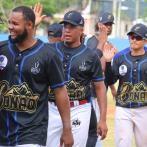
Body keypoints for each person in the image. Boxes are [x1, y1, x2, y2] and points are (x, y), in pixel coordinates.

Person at [0, 6, 74, 147]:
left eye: (15, 24)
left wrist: (67, 129)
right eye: (9, 22)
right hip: (3, 134)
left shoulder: (48, 55)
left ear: (29, 25)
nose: (10, 27)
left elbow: (59, 91)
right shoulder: (2, 49)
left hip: (31, 135)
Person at [44, 10, 108, 147]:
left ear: (81, 30)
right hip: (52, 107)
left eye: (72, 27)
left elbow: (100, 88)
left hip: (79, 108)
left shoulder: (90, 56)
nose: (67, 30)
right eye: (65, 27)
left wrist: (102, 119)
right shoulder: (50, 50)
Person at [104, 23, 147, 147]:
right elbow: (111, 80)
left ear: (145, 40)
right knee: (123, 143)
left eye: (137, 37)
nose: (133, 40)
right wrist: (107, 62)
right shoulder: (120, 58)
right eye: (131, 37)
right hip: (123, 108)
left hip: (144, 108)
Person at [86, 12, 117, 147]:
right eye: (106, 24)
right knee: (96, 128)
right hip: (93, 92)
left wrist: (112, 88)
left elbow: (107, 72)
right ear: (99, 25)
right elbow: (101, 67)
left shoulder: (106, 43)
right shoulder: (93, 41)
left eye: (110, 24)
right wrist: (108, 52)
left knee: (97, 128)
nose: (108, 27)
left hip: (101, 90)